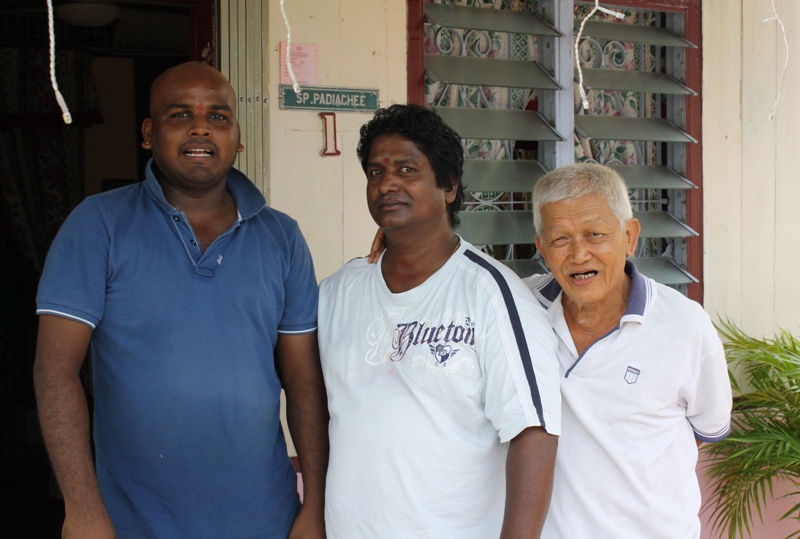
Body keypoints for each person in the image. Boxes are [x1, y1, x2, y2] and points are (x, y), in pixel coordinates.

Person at [33, 62, 328, 539]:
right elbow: (55, 371)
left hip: (264, 519)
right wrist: (83, 509)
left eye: (218, 116)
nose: (200, 128)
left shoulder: (282, 237)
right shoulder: (99, 225)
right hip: (131, 522)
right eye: (179, 115)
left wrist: (312, 507)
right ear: (148, 133)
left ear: (238, 136)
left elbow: (303, 379)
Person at [319, 104, 561, 539]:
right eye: (376, 172)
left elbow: (533, 431)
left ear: (448, 186)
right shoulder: (338, 292)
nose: (387, 183)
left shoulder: (492, 295)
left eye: (407, 169)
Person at [524, 162, 732, 538]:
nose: (579, 254)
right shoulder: (517, 307)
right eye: (559, 239)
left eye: (595, 234)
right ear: (541, 247)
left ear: (630, 235)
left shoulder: (684, 325)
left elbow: (708, 426)